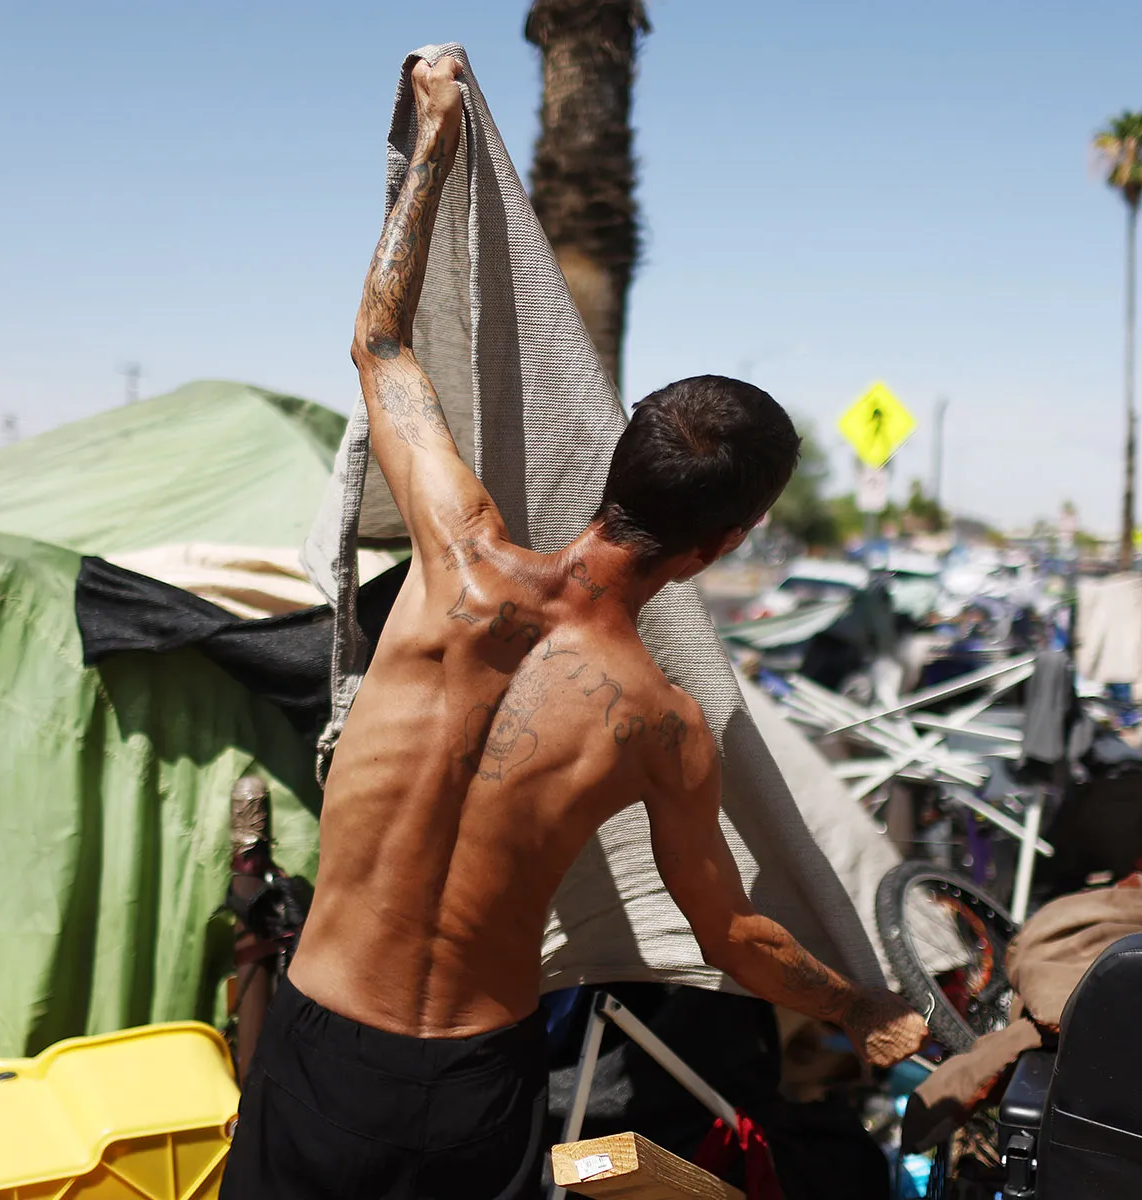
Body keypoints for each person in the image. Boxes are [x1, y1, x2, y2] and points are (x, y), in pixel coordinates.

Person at [222, 56, 927, 1200]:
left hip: (319, 1045)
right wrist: (866, 1008)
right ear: (729, 542)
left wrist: (434, 149)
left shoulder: (455, 553)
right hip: (469, 1078)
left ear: (614, 465)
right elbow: (731, 937)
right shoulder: (663, 726)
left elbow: (381, 346)